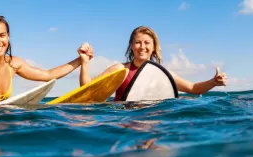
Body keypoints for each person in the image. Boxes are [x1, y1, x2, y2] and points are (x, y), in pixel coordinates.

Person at [0, 15, 94, 107]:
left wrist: (80, 60)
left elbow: (48, 74)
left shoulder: (13, 64)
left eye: (2, 35)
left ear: (8, 36)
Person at [79, 25, 227, 101]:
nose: (142, 47)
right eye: (137, 42)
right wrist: (85, 62)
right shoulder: (120, 70)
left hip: (154, 119)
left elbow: (193, 88)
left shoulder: (162, 74)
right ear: (131, 45)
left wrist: (213, 82)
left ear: (154, 46)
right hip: (123, 120)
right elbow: (87, 90)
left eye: (147, 43)